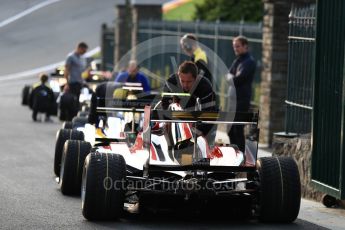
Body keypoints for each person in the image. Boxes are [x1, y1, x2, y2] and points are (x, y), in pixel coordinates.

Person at [162, 61, 217, 137]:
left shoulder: (205, 86)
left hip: (202, 121)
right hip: (178, 121)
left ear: (196, 78)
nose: (185, 85)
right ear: (178, 76)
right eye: (182, 81)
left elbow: (209, 115)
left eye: (189, 82)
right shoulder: (171, 83)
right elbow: (164, 107)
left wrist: (197, 131)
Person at [227, 36, 256, 153]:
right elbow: (227, 75)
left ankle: (241, 156)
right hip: (233, 99)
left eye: (238, 46)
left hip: (241, 99)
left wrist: (231, 78)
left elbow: (237, 79)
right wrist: (231, 77)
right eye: (234, 46)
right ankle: (234, 153)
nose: (235, 49)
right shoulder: (238, 60)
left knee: (237, 129)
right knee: (230, 129)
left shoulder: (249, 61)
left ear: (245, 46)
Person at [63, 42, 88, 117]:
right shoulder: (71, 57)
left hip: (79, 82)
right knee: (71, 101)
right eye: (83, 51)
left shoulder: (82, 58)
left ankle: (74, 117)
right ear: (80, 48)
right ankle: (69, 117)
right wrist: (67, 83)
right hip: (72, 82)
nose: (84, 53)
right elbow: (66, 70)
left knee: (77, 101)